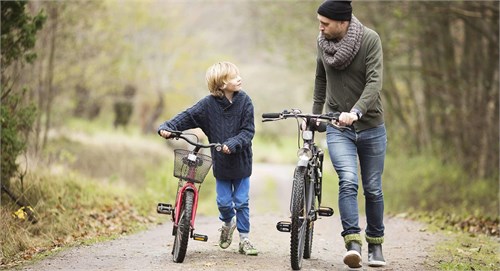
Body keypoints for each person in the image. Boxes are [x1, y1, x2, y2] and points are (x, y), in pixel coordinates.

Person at [312, 0, 387, 268]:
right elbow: (321, 81)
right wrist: (315, 116)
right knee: (348, 180)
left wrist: (356, 111)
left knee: (373, 188)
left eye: (325, 23)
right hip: (337, 126)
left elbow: (374, 82)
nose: (320, 28)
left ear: (342, 23)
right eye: (319, 22)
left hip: (370, 126)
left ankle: (375, 245)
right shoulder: (322, 43)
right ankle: (353, 243)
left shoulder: (369, 40)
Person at [157, 61, 258, 256]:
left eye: (238, 75)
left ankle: (245, 239)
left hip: (241, 162)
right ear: (221, 84)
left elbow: (248, 131)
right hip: (221, 164)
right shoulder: (208, 105)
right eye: (233, 77)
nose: (239, 78)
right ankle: (228, 223)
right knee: (224, 203)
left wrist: (233, 143)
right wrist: (168, 127)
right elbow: (187, 116)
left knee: (242, 201)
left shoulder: (245, 101)